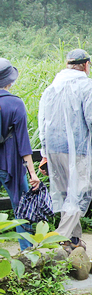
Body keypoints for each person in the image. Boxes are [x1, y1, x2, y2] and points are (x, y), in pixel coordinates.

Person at [38, 49, 92, 251]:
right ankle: (58, 239)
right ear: (86, 65)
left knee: (66, 194)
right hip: (78, 149)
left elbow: (43, 122)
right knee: (79, 192)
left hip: (54, 148)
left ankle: (74, 241)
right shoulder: (87, 85)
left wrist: (45, 153)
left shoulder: (52, 87)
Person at [0, 59, 40, 250]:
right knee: (22, 208)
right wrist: (32, 174)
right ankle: (28, 252)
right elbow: (24, 145)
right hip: (10, 166)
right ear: (9, 81)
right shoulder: (15, 103)